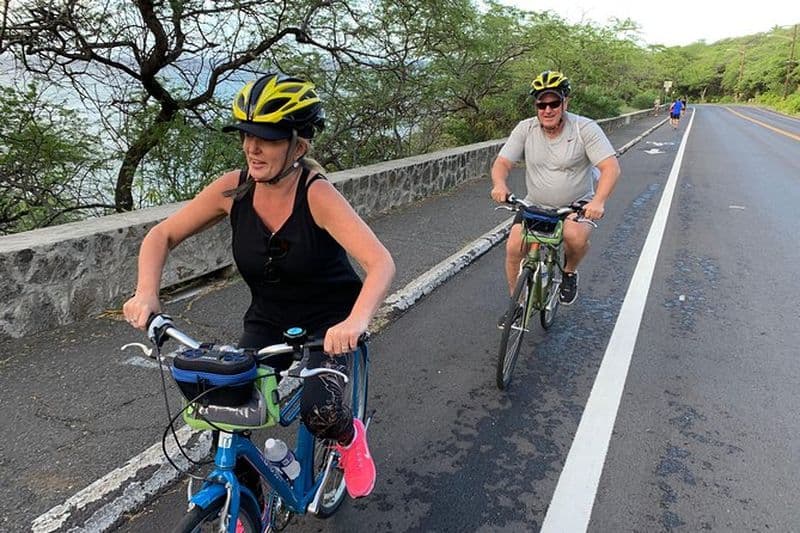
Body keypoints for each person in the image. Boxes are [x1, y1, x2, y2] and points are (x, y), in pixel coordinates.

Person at [123, 72, 395, 499]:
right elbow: (161, 236)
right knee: (223, 411)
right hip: (267, 322)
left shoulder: (317, 195)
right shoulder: (232, 190)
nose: (252, 147)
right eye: (247, 135)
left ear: (298, 145)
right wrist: (146, 293)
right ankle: (248, 508)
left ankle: (349, 440)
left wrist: (356, 321)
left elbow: (380, 263)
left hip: (329, 326)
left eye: (266, 138)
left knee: (319, 411)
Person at [490, 70, 620, 316]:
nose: (547, 110)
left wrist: (598, 201)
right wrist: (499, 184)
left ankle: (569, 272)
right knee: (513, 247)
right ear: (536, 106)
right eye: (541, 104)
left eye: (554, 103)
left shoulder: (584, 129)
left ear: (565, 102)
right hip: (535, 204)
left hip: (576, 205)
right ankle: (516, 304)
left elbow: (610, 167)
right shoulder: (525, 129)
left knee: (575, 236)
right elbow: (502, 163)